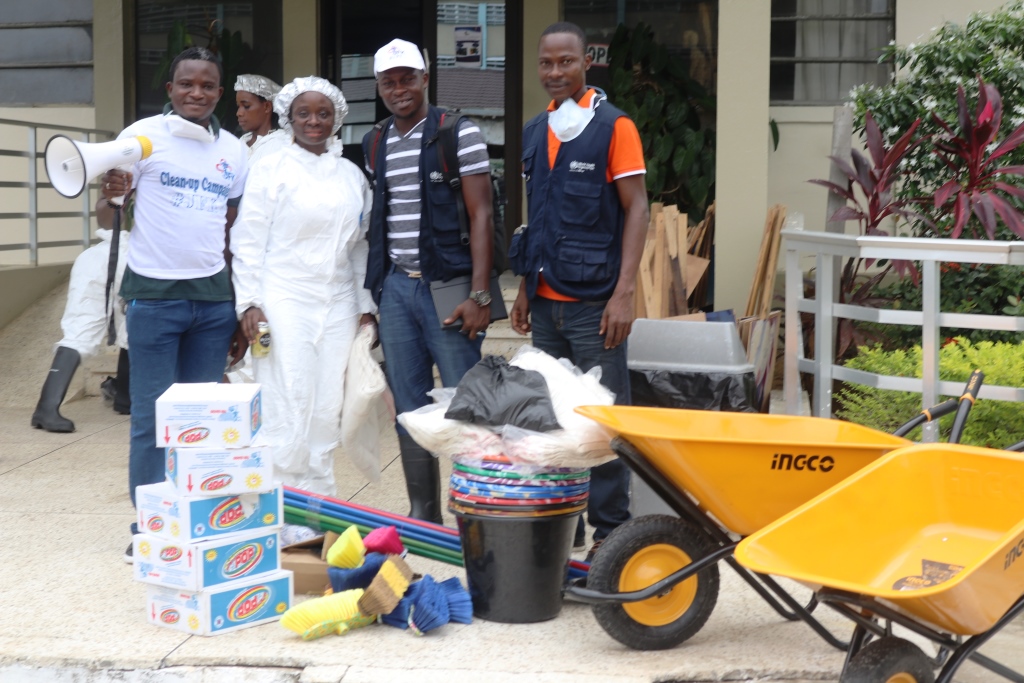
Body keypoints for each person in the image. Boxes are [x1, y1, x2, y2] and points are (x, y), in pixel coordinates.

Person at [97, 46, 248, 563]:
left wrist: (238, 301)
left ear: (219, 94)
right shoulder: (141, 138)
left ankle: (194, 518)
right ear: (170, 88)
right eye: (187, 84)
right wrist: (111, 192)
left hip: (212, 301)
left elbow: (232, 227)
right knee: (150, 420)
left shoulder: (234, 150)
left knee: (199, 420)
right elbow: (105, 215)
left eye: (207, 85)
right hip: (154, 297)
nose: (196, 93)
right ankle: (150, 527)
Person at [510, 22, 649, 560]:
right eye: (546, 63)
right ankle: (559, 525)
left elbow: (637, 207)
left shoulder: (614, 126)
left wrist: (625, 292)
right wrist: (525, 289)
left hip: (595, 304)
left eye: (565, 62)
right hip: (546, 305)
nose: (554, 73)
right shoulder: (533, 130)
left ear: (584, 63)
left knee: (601, 418)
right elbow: (538, 219)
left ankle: (609, 535)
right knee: (552, 418)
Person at [362, 38, 494, 524]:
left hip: (449, 287)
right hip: (397, 288)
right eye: (388, 81)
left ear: (425, 77)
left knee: (465, 400)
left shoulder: (458, 133)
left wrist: (480, 293)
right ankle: (424, 512)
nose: (399, 89)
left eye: (407, 78)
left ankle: (477, 506)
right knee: (409, 403)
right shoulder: (374, 142)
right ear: (379, 86)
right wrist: (376, 292)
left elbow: (482, 215)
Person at [231, 76, 375, 502]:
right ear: (288, 117)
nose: (314, 121)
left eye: (324, 113)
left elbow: (359, 247)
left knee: (325, 404)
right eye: (304, 113)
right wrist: (249, 303)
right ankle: (279, 504)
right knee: (287, 397)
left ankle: (318, 506)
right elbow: (248, 239)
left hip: (337, 303)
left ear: (337, 120)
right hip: (282, 298)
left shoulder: (352, 177)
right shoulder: (270, 169)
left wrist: (365, 306)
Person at [30, 228, 130, 432]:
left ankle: (46, 408)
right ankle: (125, 396)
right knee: (134, 328)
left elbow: (106, 216)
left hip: (99, 256)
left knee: (81, 331)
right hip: (131, 257)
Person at [234, 73, 288, 166]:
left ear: (267, 106)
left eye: (246, 106)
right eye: (238, 106)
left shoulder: (282, 144)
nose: (239, 113)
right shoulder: (239, 143)